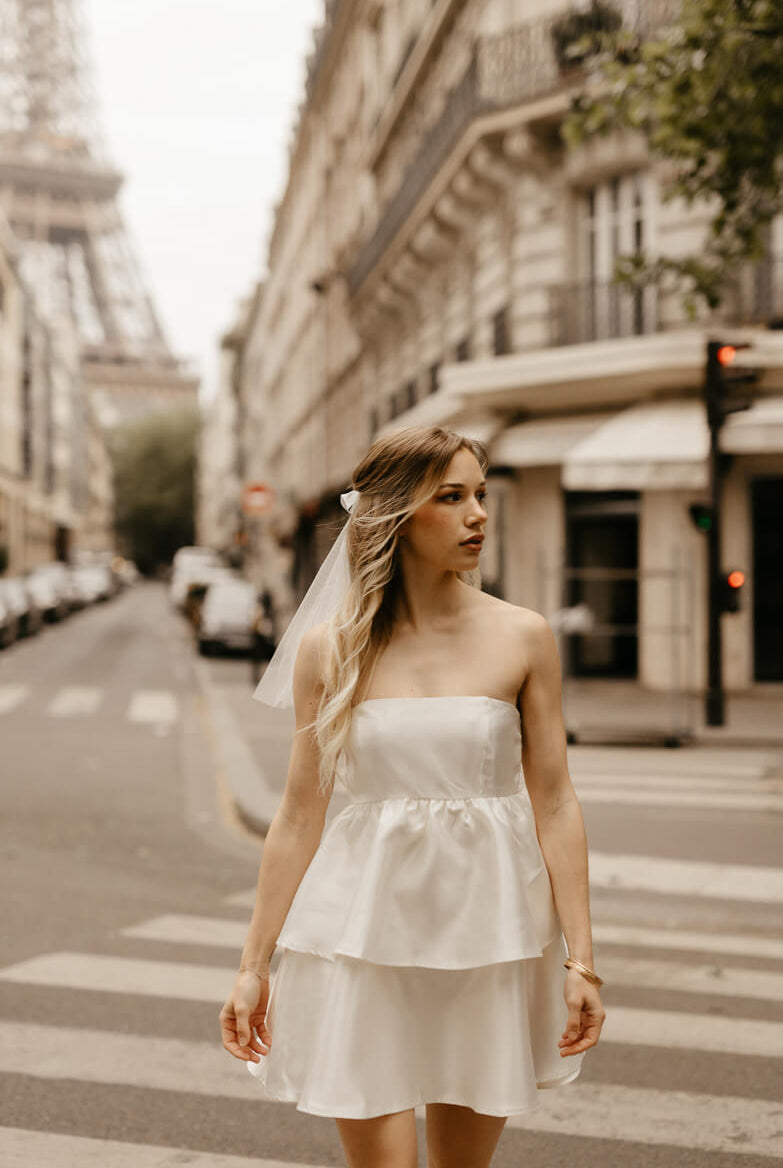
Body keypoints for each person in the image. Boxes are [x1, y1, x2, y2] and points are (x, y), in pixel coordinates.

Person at [220, 425, 605, 1168]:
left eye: (481, 495)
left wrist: (581, 960)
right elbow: (299, 815)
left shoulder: (523, 636)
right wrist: (252, 966)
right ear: (395, 514)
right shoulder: (329, 647)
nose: (478, 515)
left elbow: (556, 803)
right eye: (451, 497)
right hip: (362, 933)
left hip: (488, 933)